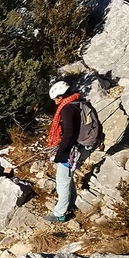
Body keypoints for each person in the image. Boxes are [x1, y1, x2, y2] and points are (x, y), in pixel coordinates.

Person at [47, 81, 81, 223]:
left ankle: (59, 213)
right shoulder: (79, 102)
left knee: (62, 181)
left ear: (60, 96)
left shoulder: (67, 109)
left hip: (71, 151)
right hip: (80, 146)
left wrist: (60, 155)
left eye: (55, 99)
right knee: (68, 178)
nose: (55, 102)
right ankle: (71, 204)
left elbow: (69, 134)